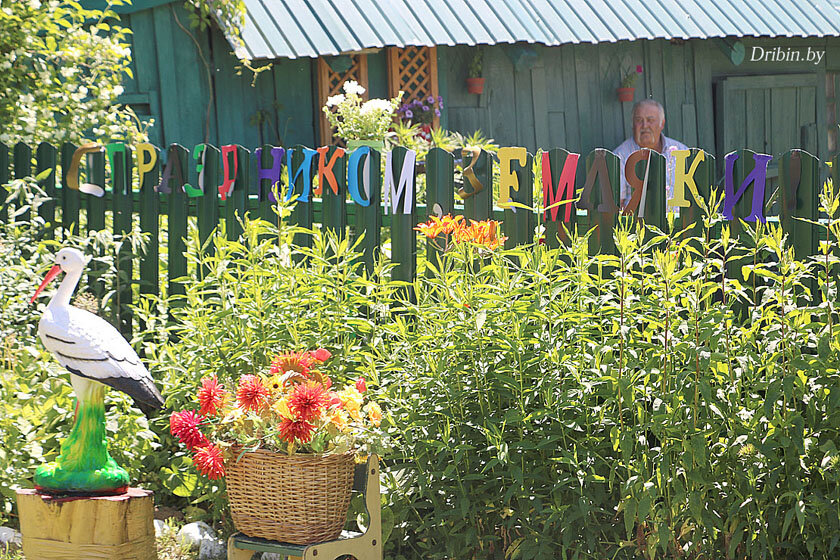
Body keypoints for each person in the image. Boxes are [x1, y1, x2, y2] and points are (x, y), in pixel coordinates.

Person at [613, 99, 688, 209]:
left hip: (680, 224)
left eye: (650, 120)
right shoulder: (620, 156)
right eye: (639, 120)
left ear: (662, 123)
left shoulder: (681, 151)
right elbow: (617, 205)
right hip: (637, 224)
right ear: (632, 124)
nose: (644, 125)